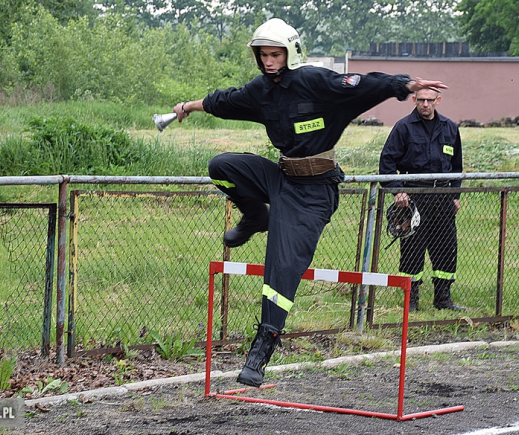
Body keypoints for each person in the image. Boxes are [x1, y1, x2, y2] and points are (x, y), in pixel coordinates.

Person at [172, 18, 447, 387]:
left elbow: (365, 84)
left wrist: (404, 84)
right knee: (222, 166)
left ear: (291, 52)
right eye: (263, 55)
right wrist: (189, 106)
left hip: (315, 192)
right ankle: (255, 217)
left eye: (275, 54)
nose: (269, 62)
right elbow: (226, 100)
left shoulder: (315, 81)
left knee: (282, 264)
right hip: (282, 178)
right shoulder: (261, 91)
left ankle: (263, 346)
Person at [379, 88, 464, 312]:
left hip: (442, 198)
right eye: (421, 100)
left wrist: (455, 195)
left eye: (430, 100)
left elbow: (457, 166)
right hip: (413, 197)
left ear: (438, 100)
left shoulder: (450, 127)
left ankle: (443, 298)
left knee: (446, 248)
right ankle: (411, 299)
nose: (425, 104)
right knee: (412, 249)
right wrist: (398, 192)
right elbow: (387, 163)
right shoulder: (403, 127)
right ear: (414, 100)